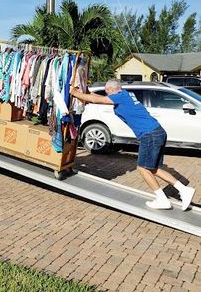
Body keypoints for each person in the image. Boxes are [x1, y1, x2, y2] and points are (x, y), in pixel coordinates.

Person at [70, 79, 195, 211]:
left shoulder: (120, 97)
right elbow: (100, 98)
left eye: (107, 91)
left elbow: (97, 100)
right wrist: (86, 93)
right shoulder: (125, 94)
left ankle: (162, 200)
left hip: (150, 135)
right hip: (157, 132)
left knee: (142, 168)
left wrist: (74, 93)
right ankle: (184, 190)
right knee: (153, 169)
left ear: (112, 90)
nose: (107, 95)